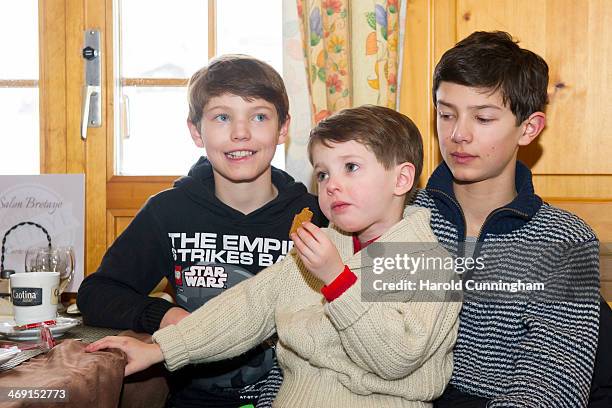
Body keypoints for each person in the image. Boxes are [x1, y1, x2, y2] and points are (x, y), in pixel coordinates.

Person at [86, 105, 462, 407]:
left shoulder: (427, 262)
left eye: (351, 167)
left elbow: (396, 358)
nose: (333, 185)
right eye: (323, 174)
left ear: (401, 179)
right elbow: (246, 307)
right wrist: (159, 349)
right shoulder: (316, 249)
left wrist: (338, 280)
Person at [77, 55, 327, 408]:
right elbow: (96, 293)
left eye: (258, 116)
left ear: (283, 128)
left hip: (295, 397)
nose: (241, 132)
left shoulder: (318, 215)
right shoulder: (169, 211)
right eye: (222, 117)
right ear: (196, 131)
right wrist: (168, 316)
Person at [410, 31, 603, 407]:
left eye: (482, 118)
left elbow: (553, 386)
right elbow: (329, 343)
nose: (457, 134)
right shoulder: (397, 214)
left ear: (529, 128)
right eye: (445, 114)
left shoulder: (565, 241)